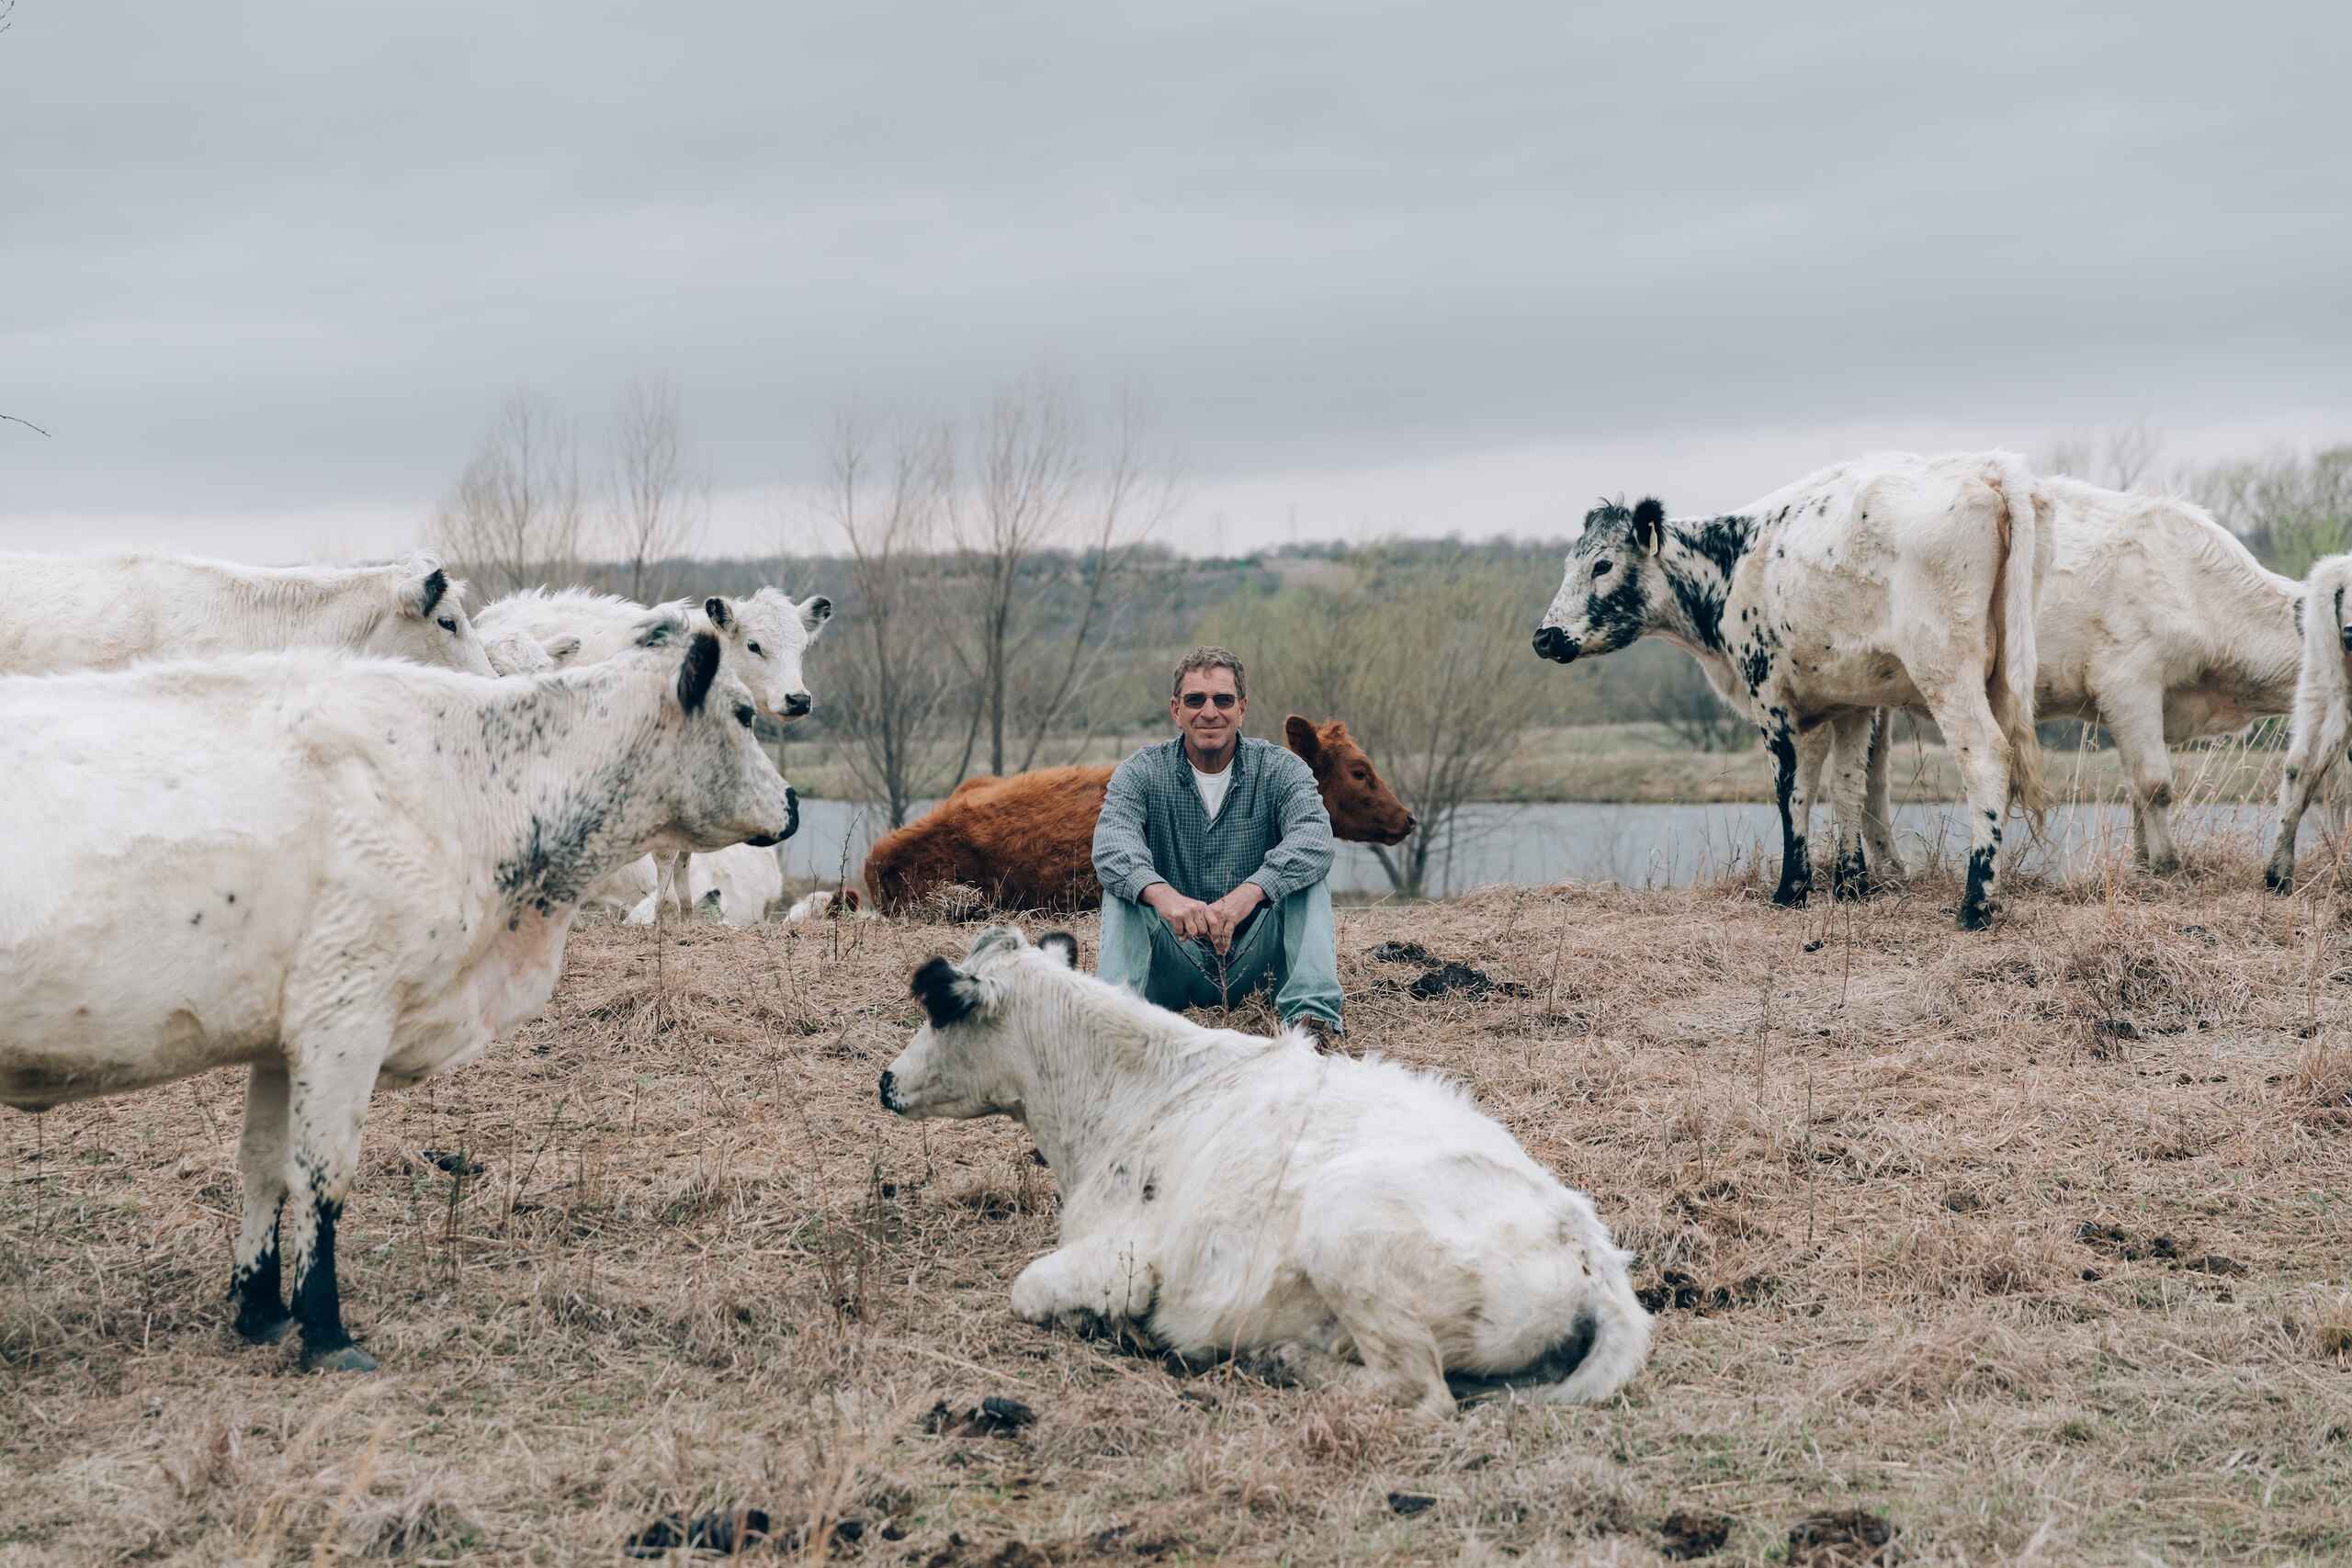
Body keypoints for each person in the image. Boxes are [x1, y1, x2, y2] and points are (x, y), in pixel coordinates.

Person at [1091, 646, 1346, 1045]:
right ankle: (1110, 1022)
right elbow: (1111, 846)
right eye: (1195, 700)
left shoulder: (1281, 769)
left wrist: (1252, 892)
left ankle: (1312, 1020)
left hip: (1257, 964)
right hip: (1174, 958)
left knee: (1307, 878)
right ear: (1176, 709)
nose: (1209, 712)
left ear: (1241, 708)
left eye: (1222, 700)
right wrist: (1163, 896)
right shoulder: (1139, 772)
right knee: (1125, 888)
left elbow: (1314, 837)